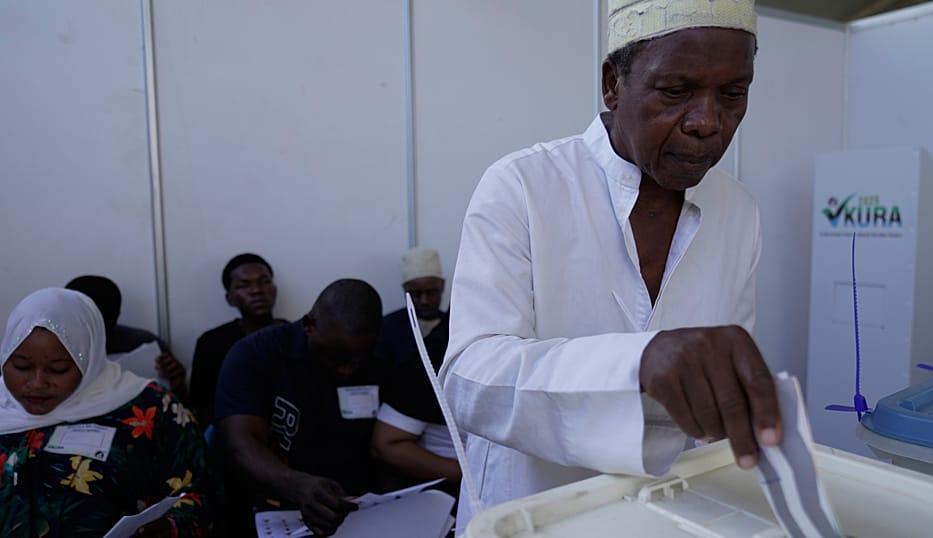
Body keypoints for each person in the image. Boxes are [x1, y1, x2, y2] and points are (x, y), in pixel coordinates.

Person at [440, 0, 781, 528]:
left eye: (733, 94)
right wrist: (636, 365)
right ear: (612, 84)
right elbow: (469, 378)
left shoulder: (738, 210)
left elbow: (717, 386)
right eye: (676, 91)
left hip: (674, 515)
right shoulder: (523, 185)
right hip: (531, 515)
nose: (707, 122)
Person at [0, 288, 211, 536]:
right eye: (21, 366)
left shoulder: (150, 407)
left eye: (58, 369)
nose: (37, 383)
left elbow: (203, 493)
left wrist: (171, 527)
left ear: (89, 361)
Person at [216, 279, 384, 537]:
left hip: (359, 509)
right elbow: (240, 442)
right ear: (308, 325)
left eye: (356, 360)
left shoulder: (383, 357)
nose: (346, 370)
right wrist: (297, 486)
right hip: (275, 508)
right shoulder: (256, 354)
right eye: (335, 357)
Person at [372, 248, 460, 494]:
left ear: (442, 287)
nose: (424, 300)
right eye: (415, 294)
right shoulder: (386, 329)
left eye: (431, 292)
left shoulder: (454, 327)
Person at [190, 253, 286, 429]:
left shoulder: (298, 336)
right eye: (243, 285)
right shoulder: (211, 343)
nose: (257, 290)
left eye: (264, 281)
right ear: (230, 298)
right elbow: (200, 407)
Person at [66, 276, 188, 395]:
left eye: (101, 322)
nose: (92, 332)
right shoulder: (57, 346)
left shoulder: (141, 344)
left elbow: (179, 402)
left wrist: (177, 384)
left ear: (114, 318)